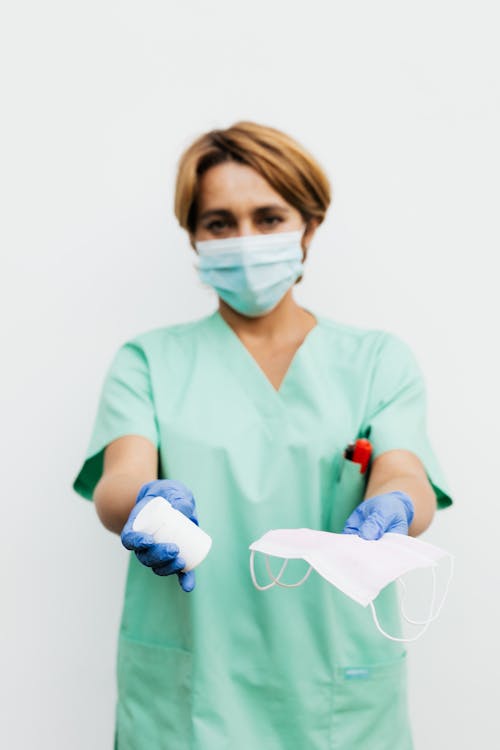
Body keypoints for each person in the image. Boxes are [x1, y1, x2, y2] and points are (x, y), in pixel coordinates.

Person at [73, 120, 452, 750]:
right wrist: (145, 504)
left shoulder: (376, 361)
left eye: (268, 217)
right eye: (219, 223)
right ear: (193, 235)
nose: (244, 240)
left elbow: (404, 469)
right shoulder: (147, 361)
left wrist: (400, 503)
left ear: (310, 225)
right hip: (192, 697)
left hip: (337, 691)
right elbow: (120, 479)